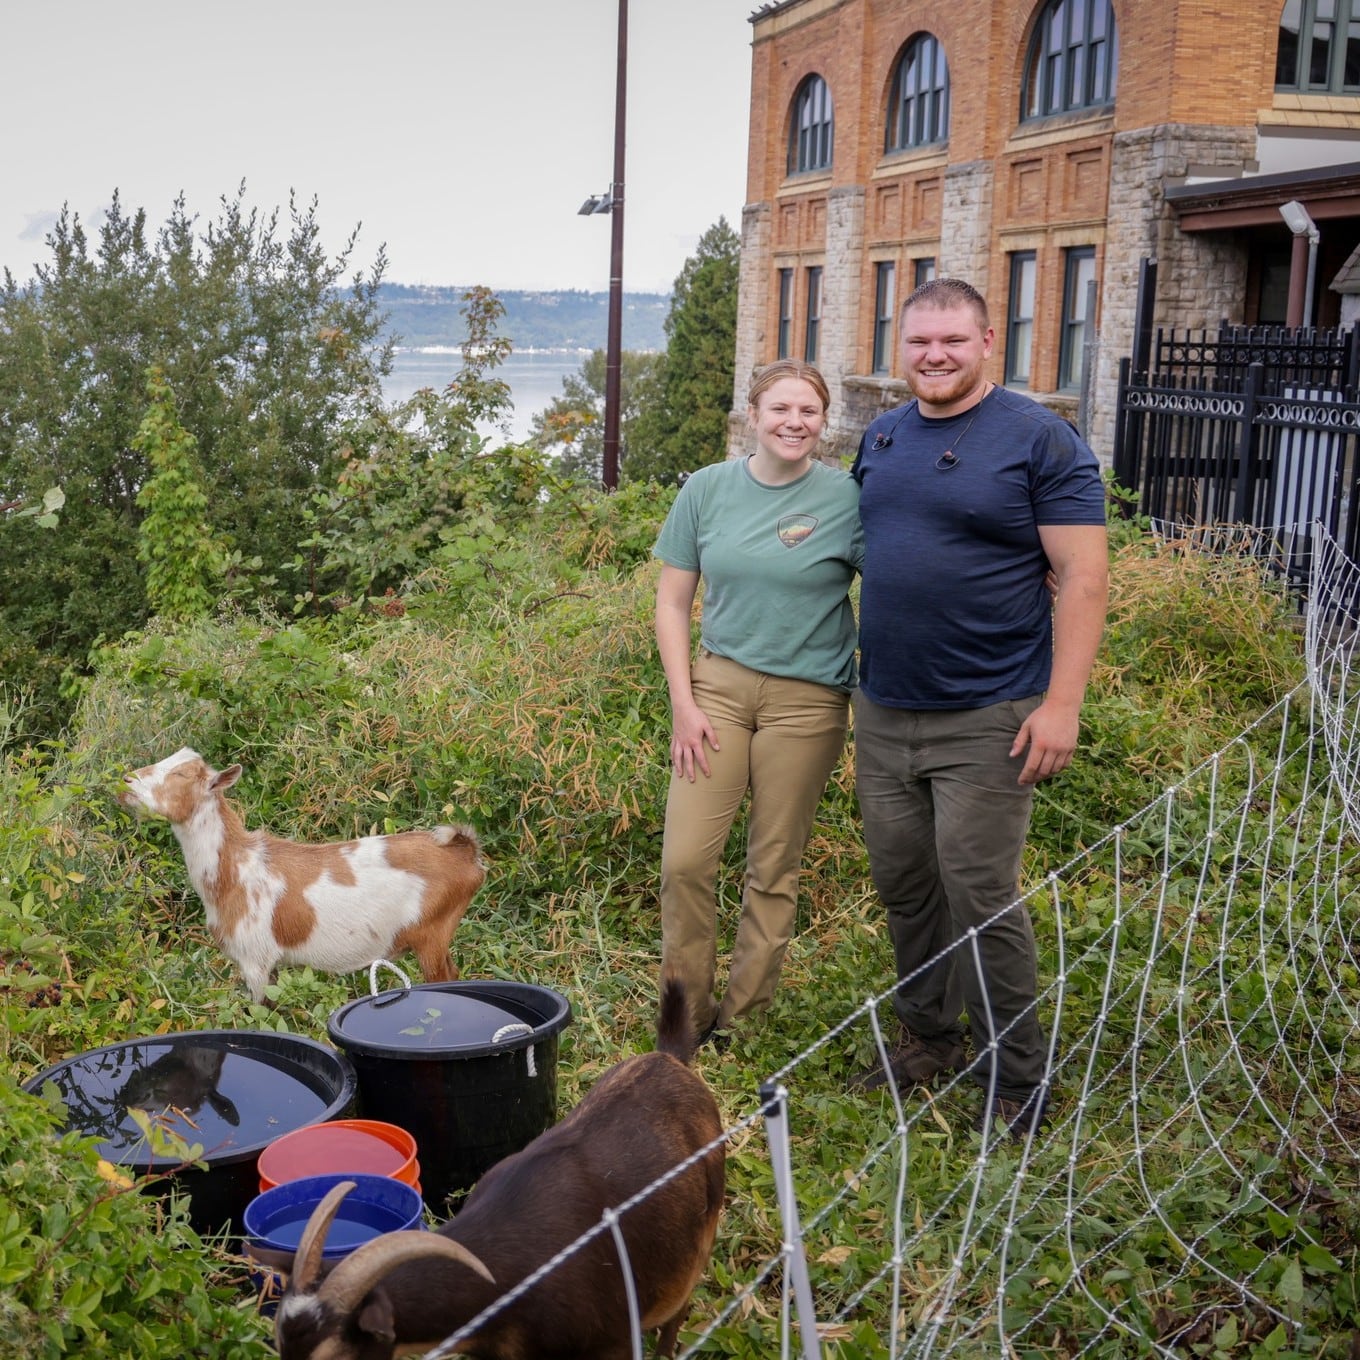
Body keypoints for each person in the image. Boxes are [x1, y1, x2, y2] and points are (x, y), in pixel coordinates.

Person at [848, 277, 1109, 1141]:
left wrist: (1062, 704)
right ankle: (927, 1038)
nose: (934, 356)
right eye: (919, 341)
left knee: (980, 892)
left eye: (952, 341)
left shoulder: (1041, 439)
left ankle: (1018, 1077)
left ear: (989, 340)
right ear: (901, 345)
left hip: (991, 709)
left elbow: (1082, 577)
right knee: (904, 883)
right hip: (884, 706)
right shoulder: (881, 436)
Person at [653, 359, 862, 1046]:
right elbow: (672, 601)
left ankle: (741, 1026)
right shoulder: (707, 491)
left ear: (823, 422)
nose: (794, 423)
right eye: (781, 410)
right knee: (685, 860)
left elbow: (910, 569)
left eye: (808, 412)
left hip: (808, 702)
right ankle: (684, 1018)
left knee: (773, 867)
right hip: (717, 690)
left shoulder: (848, 499)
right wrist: (684, 703)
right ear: (753, 415)